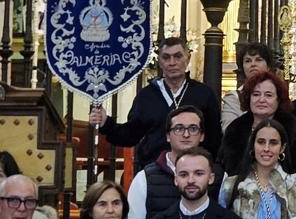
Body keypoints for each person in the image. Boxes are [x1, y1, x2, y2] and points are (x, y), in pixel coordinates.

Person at [90, 36, 222, 168]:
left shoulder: (204, 94)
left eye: (178, 56)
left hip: (194, 171)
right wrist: (106, 123)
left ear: (188, 59)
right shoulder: (146, 95)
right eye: (166, 57)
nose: (172, 62)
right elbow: (131, 134)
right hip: (154, 169)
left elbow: (214, 138)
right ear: (159, 61)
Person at [127, 105, 223, 219]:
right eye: (178, 128)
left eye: (193, 128)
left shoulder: (220, 176)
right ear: (167, 135)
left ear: (202, 135)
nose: (186, 135)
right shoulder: (145, 178)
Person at [218, 70, 296, 176]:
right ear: (249, 98)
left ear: (278, 100)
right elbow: (224, 165)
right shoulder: (236, 128)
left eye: (268, 95)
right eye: (256, 94)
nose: (261, 100)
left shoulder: (290, 125)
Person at [221, 42, 275, 132]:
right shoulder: (234, 98)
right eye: (248, 61)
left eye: (258, 60)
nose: (253, 64)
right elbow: (228, 131)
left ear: (268, 66)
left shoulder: (277, 94)